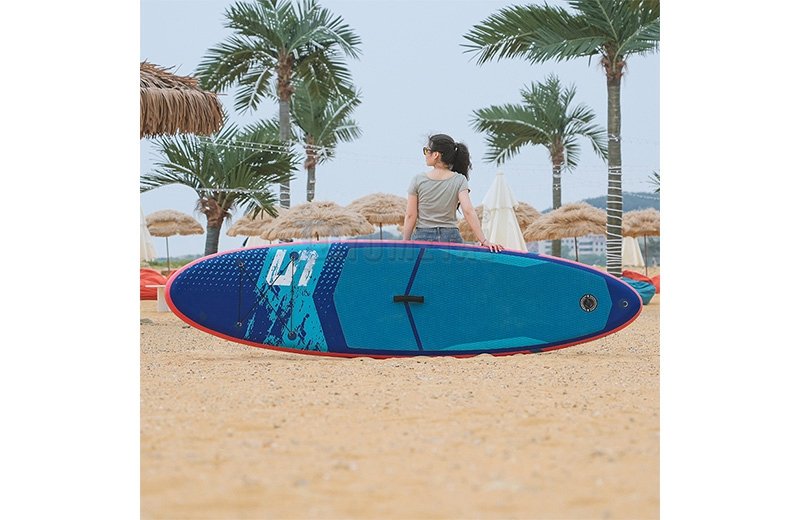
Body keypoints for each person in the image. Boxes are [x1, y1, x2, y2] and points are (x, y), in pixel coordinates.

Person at [402, 133, 503, 252]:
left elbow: (410, 215)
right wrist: (484, 240)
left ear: (436, 155)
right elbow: (468, 211)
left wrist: (405, 243)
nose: (425, 154)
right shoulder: (459, 180)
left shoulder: (418, 180)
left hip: (423, 238)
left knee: (425, 265)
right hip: (451, 237)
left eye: (426, 150)